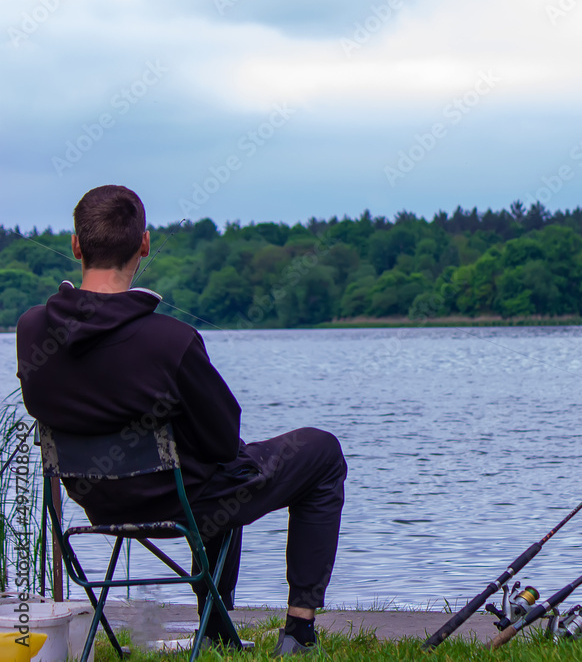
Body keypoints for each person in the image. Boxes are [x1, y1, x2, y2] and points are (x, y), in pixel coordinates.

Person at [16, 185, 346, 656]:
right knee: (320, 451)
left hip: (99, 506)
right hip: (183, 506)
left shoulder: (30, 330)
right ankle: (298, 632)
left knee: (211, 470)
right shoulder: (171, 340)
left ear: (76, 245)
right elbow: (222, 442)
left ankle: (215, 626)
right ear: (143, 244)